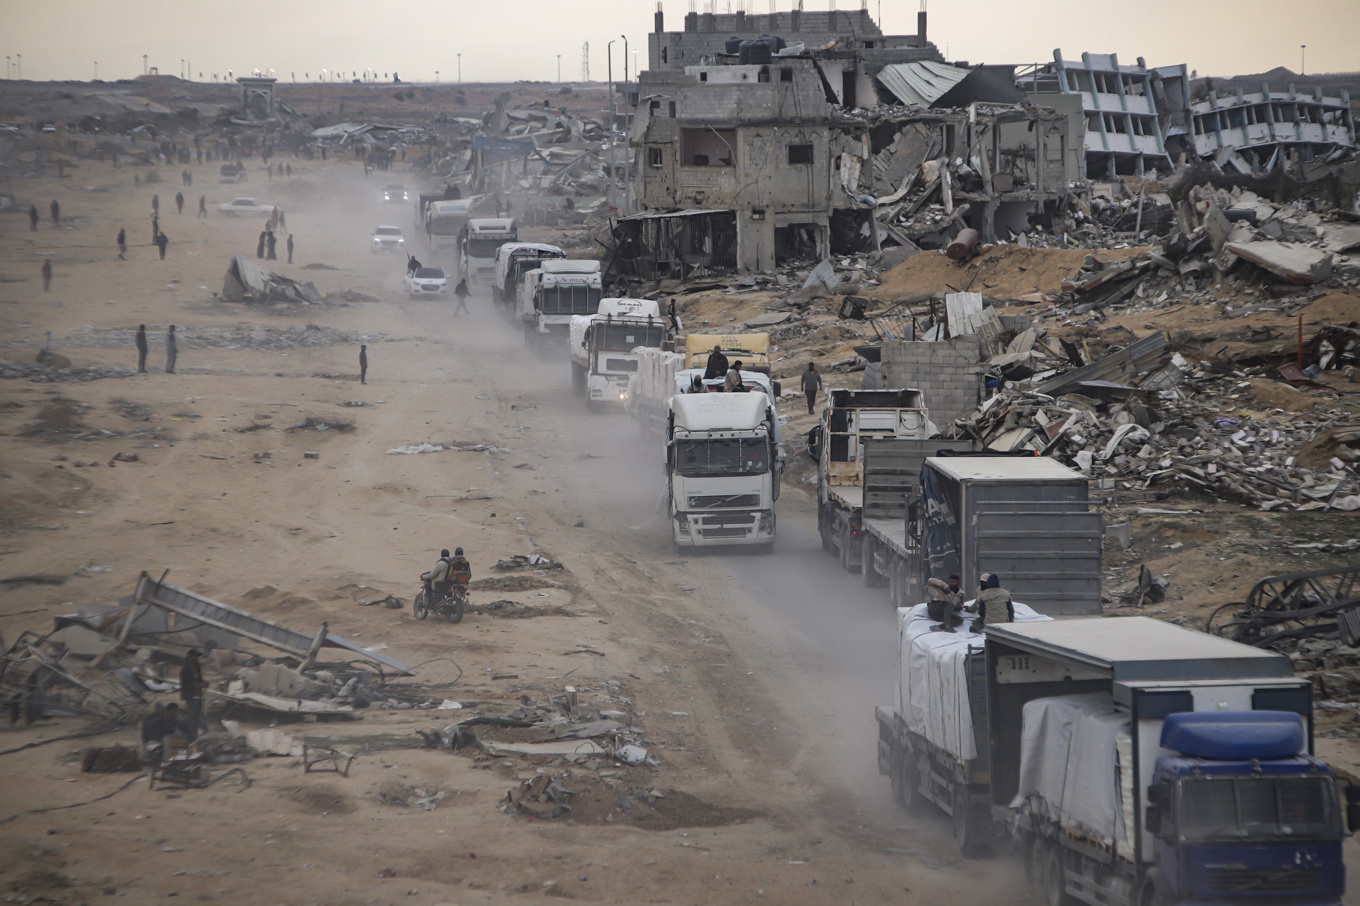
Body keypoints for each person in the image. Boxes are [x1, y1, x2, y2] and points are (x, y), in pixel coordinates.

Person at [179, 649, 205, 742]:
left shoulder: (197, 666)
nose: (197, 658)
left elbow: (199, 679)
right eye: (195, 656)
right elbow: (185, 685)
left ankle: (194, 737)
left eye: (197, 656)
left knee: (197, 718)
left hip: (199, 696)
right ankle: (190, 738)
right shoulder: (185, 668)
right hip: (191, 696)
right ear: (190, 657)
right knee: (192, 719)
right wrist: (198, 685)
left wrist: (203, 683)